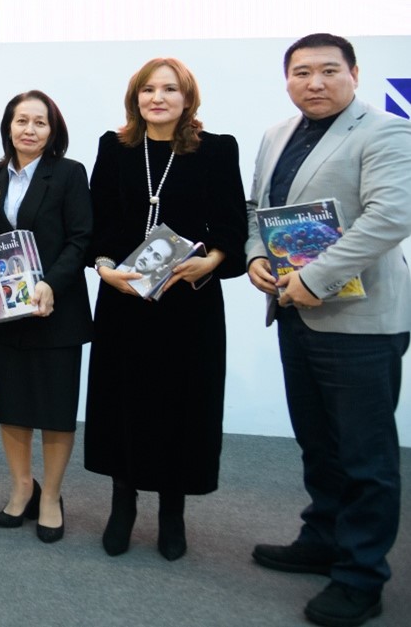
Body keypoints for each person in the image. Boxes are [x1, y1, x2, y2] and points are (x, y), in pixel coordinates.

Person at [245, 33, 411, 627]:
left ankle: (362, 576)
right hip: (295, 311)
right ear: (287, 78)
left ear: (354, 74)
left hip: (360, 322)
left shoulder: (386, 131)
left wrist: (316, 278)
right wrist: (255, 255)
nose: (314, 82)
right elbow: (257, 209)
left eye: (328, 70)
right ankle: (323, 538)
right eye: (301, 72)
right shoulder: (276, 134)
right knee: (318, 441)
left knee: (365, 455)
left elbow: (391, 216)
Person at [85, 58, 247, 562]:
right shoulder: (114, 147)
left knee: (182, 406)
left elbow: (232, 224)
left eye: (170, 89)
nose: (157, 98)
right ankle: (123, 505)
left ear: (187, 98)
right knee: (123, 402)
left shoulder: (216, 149)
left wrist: (212, 261)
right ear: (135, 97)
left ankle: (172, 512)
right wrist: (104, 268)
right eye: (148, 89)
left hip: (188, 305)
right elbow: (98, 222)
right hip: (125, 299)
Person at [0, 90, 92, 545]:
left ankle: (51, 496)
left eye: (40, 122)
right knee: (12, 405)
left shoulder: (70, 173)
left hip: (55, 310)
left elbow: (80, 239)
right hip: (5, 311)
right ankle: (23, 487)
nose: (30, 129)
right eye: (22, 120)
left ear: (52, 130)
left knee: (56, 411)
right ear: (9, 126)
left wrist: (50, 284)